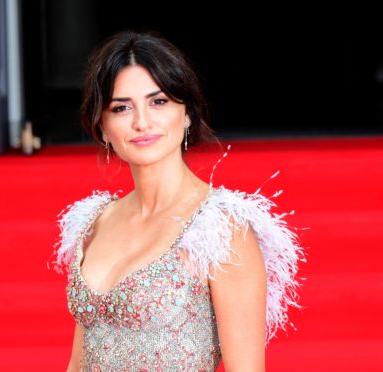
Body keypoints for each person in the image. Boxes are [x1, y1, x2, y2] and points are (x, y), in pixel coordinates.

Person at [53, 30, 303, 371]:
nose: (142, 122)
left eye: (159, 102)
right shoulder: (94, 221)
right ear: (102, 127)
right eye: (122, 107)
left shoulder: (221, 230)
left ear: (186, 114)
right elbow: (77, 362)